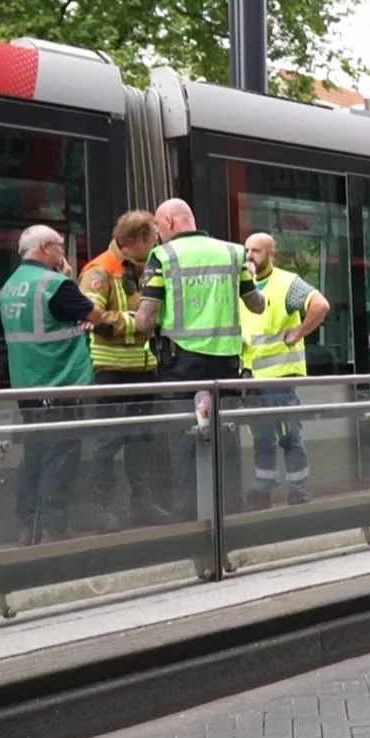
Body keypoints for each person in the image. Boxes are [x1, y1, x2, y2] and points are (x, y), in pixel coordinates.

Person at [135, 199, 266, 519]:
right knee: (226, 433)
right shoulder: (234, 253)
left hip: (182, 365)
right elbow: (257, 305)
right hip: (225, 363)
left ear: (167, 222)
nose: (157, 234)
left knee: (184, 437)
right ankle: (230, 503)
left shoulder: (162, 257)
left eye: (157, 227)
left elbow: (145, 321)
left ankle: (188, 510)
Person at [0, 225, 112, 545]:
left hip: (27, 388)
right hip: (60, 385)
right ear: (46, 248)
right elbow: (95, 315)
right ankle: (54, 528)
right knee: (59, 460)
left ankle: (27, 527)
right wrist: (71, 280)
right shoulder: (55, 284)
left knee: (32, 458)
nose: (63, 254)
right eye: (60, 247)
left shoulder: (10, 287)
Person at [78, 211, 163, 530]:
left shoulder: (145, 268)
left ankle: (143, 505)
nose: (156, 245)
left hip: (145, 368)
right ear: (136, 241)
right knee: (107, 443)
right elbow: (92, 318)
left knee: (142, 441)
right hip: (112, 370)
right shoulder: (100, 270)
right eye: (152, 240)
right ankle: (102, 507)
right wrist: (139, 323)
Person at [239, 233, 332, 508]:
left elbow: (320, 305)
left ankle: (299, 490)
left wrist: (299, 332)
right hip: (251, 378)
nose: (250, 257)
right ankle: (263, 489)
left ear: (271, 254)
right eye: (247, 251)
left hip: (279, 378)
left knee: (288, 436)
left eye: (256, 251)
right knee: (262, 439)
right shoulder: (242, 284)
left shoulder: (286, 283)